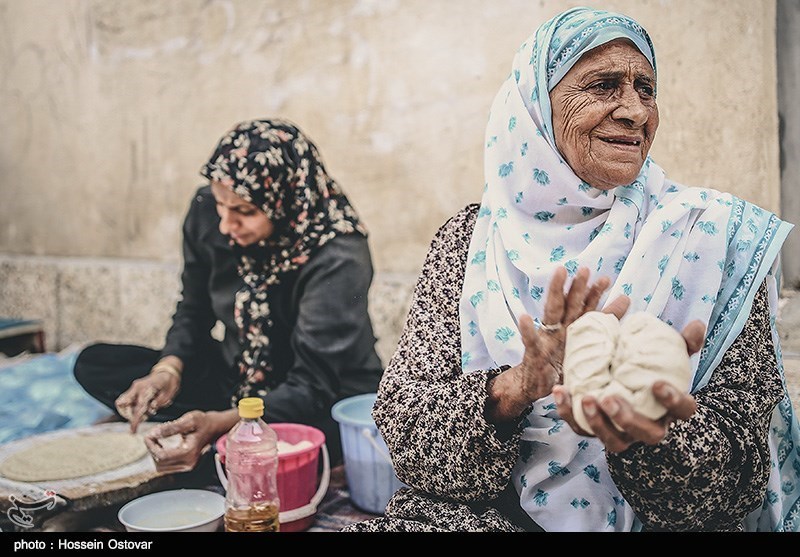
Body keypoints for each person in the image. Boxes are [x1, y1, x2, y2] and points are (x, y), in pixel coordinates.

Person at [342, 6, 798, 532]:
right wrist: (517, 385)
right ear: (536, 106)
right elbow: (410, 440)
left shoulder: (710, 239)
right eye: (604, 85)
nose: (635, 111)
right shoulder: (470, 241)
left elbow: (736, 478)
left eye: (646, 88)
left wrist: (645, 431)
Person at [73, 118, 384, 470]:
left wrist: (222, 424)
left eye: (244, 211)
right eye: (221, 204)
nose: (225, 224)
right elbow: (193, 310)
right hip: (240, 376)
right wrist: (168, 370)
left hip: (320, 391)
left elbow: (312, 383)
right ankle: (218, 428)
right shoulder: (210, 210)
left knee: (279, 452)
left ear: (283, 200)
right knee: (96, 364)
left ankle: (220, 435)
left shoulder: (337, 253)